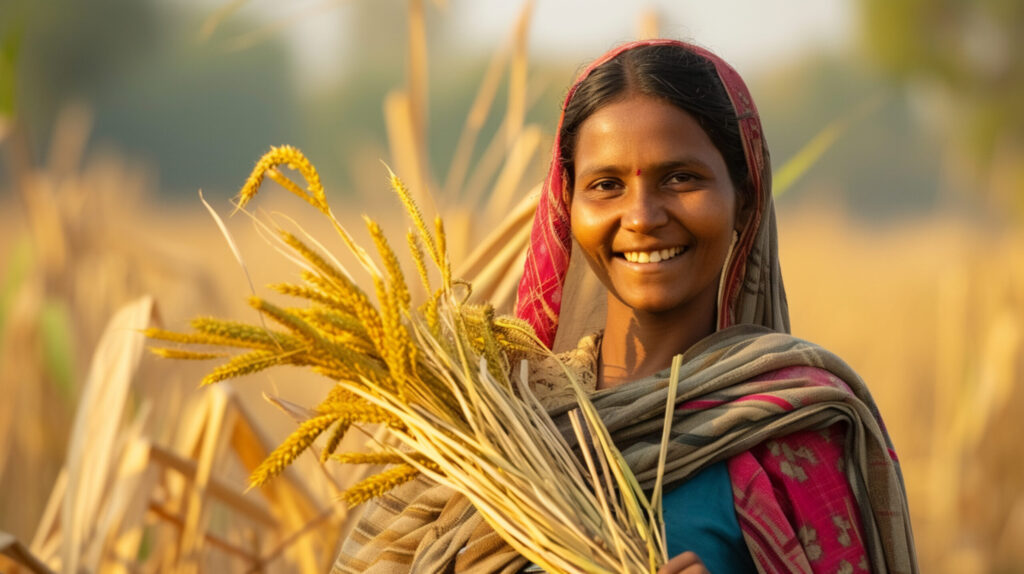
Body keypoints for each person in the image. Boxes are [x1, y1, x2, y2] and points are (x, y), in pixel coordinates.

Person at [333, 39, 918, 573]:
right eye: (606, 185)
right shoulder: (489, 417)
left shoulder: (791, 426)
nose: (641, 216)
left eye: (681, 178)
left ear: (745, 201)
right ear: (568, 207)